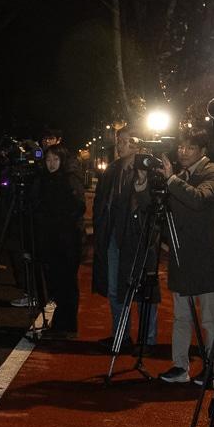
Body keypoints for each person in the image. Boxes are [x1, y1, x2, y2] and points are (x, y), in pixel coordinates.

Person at [156, 129, 214, 383]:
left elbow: (198, 199)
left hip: (208, 258)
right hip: (182, 256)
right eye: (180, 147)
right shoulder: (178, 176)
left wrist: (172, 181)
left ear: (202, 150)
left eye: (189, 148)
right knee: (181, 316)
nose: (183, 152)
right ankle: (180, 366)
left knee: (210, 319)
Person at [91, 127, 157, 347]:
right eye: (119, 141)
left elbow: (152, 206)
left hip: (138, 236)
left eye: (125, 141)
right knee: (114, 288)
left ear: (137, 145)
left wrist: (143, 182)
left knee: (142, 288)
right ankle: (120, 335)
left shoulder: (148, 168)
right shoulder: (112, 169)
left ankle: (147, 340)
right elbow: (102, 202)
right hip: (113, 235)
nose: (120, 145)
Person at [37, 145, 85, 337]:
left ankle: (67, 325)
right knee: (55, 282)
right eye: (48, 160)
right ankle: (60, 323)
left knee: (67, 282)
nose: (51, 164)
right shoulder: (46, 180)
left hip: (67, 240)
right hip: (52, 238)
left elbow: (78, 207)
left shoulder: (69, 179)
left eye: (55, 160)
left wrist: (61, 220)